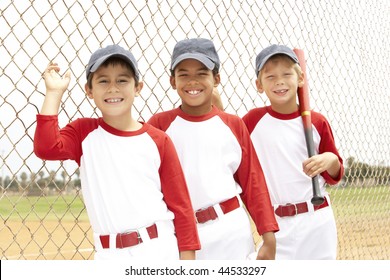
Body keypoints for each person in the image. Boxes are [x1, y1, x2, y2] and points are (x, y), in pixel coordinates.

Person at [33, 44, 200, 260]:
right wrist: (54, 93)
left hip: (157, 248)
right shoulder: (84, 132)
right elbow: (46, 147)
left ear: (137, 87)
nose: (113, 88)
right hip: (109, 254)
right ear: (89, 90)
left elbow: (181, 206)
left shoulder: (158, 140)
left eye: (122, 80)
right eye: (103, 81)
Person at [147, 38, 279, 260]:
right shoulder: (159, 125)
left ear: (216, 78)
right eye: (184, 75)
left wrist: (268, 235)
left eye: (201, 73)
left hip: (230, 230)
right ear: (172, 81)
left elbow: (252, 182)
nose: (192, 81)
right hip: (182, 234)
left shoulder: (233, 124)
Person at [242, 44, 344, 259]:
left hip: (317, 220)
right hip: (277, 224)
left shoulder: (316, 121)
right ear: (259, 85)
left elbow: (335, 174)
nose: (279, 81)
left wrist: (330, 159)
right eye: (270, 76)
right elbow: (231, 142)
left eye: (287, 74)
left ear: (300, 79)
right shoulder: (252, 121)